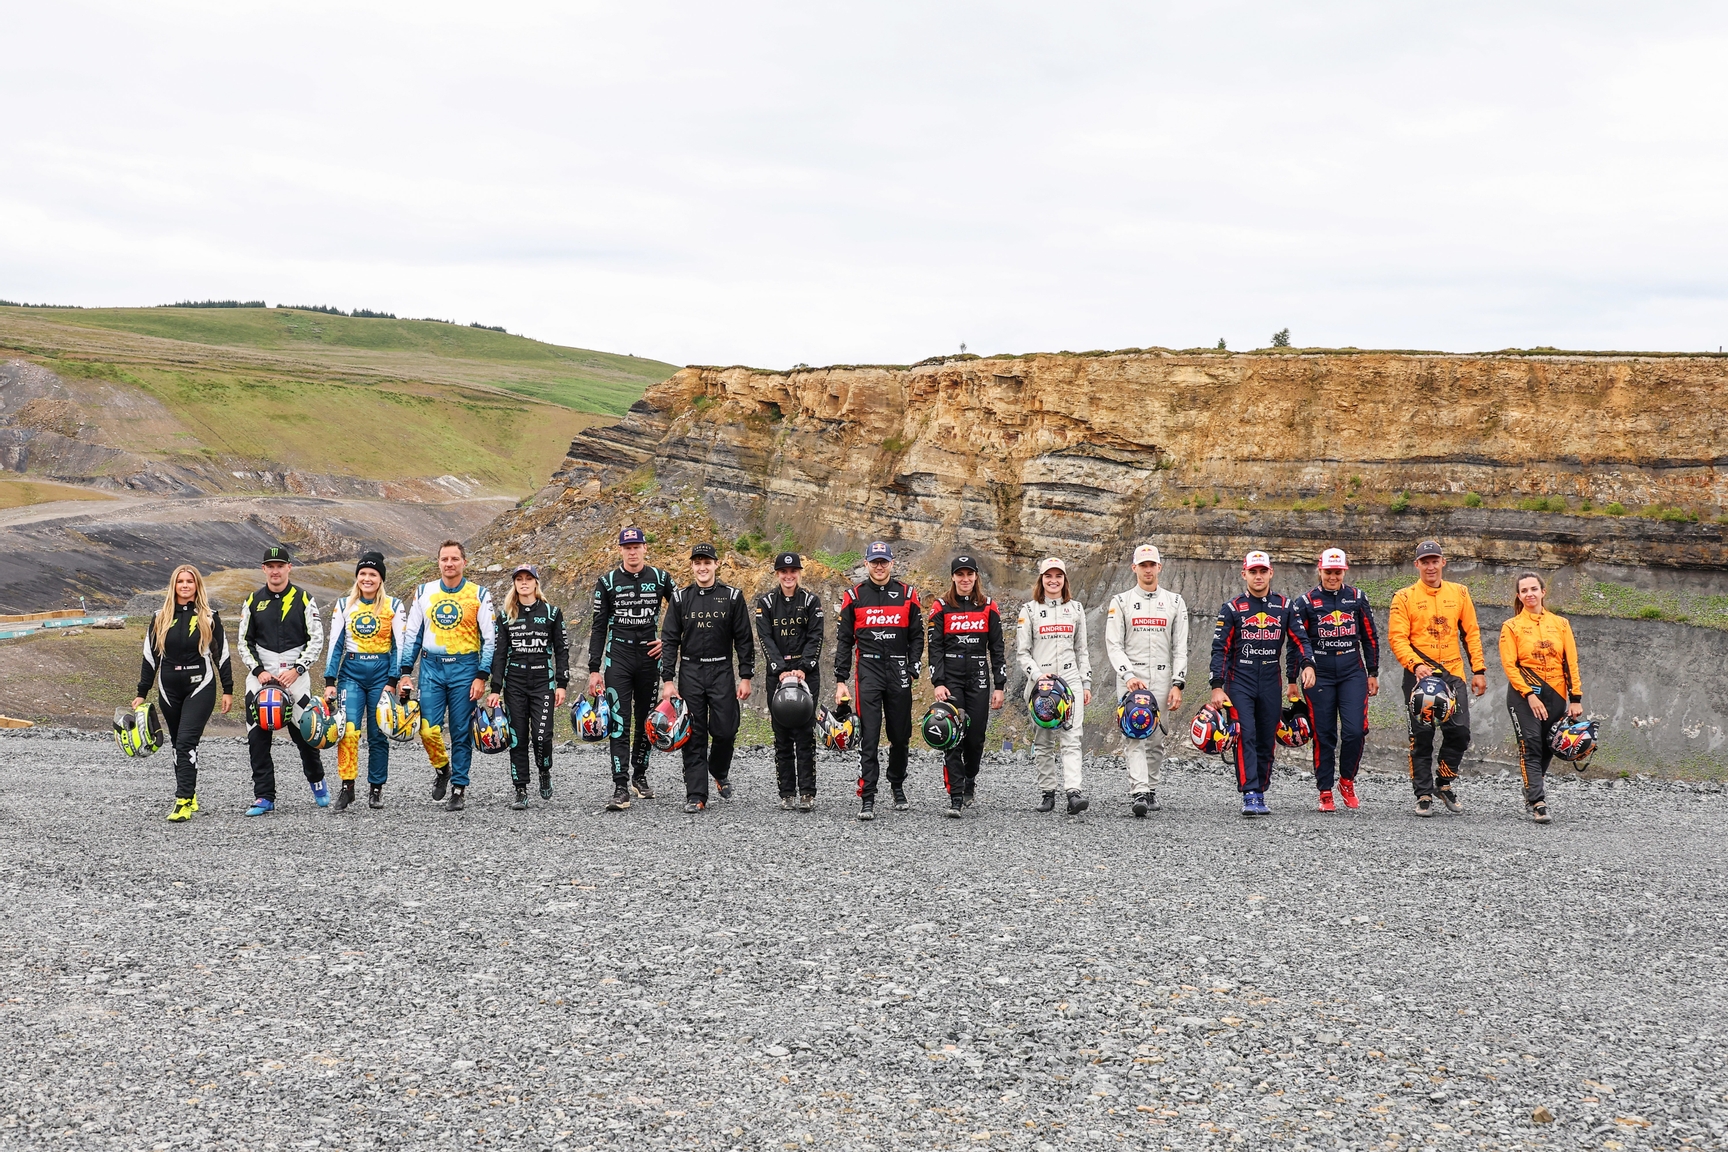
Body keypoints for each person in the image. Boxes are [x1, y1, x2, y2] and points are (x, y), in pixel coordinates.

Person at [1209, 551, 1314, 817]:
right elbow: (1219, 649)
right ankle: (1250, 793)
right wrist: (1217, 686)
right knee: (1246, 733)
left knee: (1268, 736)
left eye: (1262, 571)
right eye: (1253, 572)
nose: (1258, 576)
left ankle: (1262, 789)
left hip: (1270, 678)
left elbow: (1300, 640)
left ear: (1271, 573)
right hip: (1239, 680)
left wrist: (1308, 665)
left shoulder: (1285, 606)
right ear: (1244, 574)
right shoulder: (1232, 608)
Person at [1387, 539, 1487, 817]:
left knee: (1460, 733)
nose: (1430, 566)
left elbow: (1471, 633)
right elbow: (1397, 638)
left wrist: (1478, 670)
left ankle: (1443, 783)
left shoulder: (1461, 593)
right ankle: (1423, 794)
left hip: (1453, 673)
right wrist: (1415, 664)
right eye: (1425, 561)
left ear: (1443, 562)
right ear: (1416, 565)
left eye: (1435, 560)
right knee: (1421, 736)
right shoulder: (1403, 597)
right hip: (1420, 676)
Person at [398, 539, 496, 813]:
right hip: (431, 668)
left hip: (465, 668)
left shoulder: (479, 594)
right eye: (444, 559)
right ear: (438, 562)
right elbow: (413, 636)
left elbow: (490, 639)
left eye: (455, 559)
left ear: (464, 562)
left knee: (461, 731)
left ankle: (459, 788)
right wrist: (405, 673)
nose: (449, 564)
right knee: (428, 729)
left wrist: (481, 676)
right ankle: (443, 769)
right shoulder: (423, 592)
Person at [833, 541, 924, 821]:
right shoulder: (854, 596)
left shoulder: (908, 594)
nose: (880, 566)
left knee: (900, 735)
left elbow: (918, 636)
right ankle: (868, 796)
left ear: (892, 563)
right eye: (875, 562)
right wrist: (840, 680)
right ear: (866, 563)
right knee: (869, 736)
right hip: (868, 669)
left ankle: (897, 784)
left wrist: (912, 668)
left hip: (898, 669)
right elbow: (844, 640)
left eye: (884, 561)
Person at [660, 543, 754, 813]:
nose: (702, 567)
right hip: (690, 672)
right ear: (692, 566)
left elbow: (744, 640)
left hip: (722, 670)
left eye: (707, 562)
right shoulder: (679, 598)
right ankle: (696, 795)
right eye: (697, 562)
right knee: (694, 735)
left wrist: (745, 676)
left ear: (716, 564)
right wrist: (668, 680)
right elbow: (669, 641)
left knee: (726, 730)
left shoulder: (733, 597)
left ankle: (718, 769)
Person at [134, 564, 233, 822]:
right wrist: (142, 692)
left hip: (200, 684)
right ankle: (189, 790)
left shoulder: (209, 616)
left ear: (197, 585)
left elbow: (222, 655)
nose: (185, 585)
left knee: (186, 741)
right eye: (181, 581)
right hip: (169, 687)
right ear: (174, 585)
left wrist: (228, 689)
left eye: (190, 581)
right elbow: (150, 657)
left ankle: (183, 801)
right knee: (179, 744)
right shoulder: (159, 617)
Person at [587, 527, 675, 811]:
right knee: (619, 721)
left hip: (651, 657)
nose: (632, 551)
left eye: (637, 546)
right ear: (621, 550)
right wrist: (593, 668)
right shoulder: (607, 582)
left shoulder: (661, 578)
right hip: (619, 657)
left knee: (647, 721)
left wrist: (670, 640)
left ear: (645, 548)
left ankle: (640, 775)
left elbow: (682, 613)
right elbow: (599, 626)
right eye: (627, 547)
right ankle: (620, 785)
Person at [238, 545, 329, 816]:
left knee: (307, 735)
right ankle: (264, 796)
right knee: (257, 736)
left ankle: (317, 781)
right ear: (263, 568)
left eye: (280, 565)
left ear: (289, 567)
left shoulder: (304, 599)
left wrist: (298, 669)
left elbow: (317, 639)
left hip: (295, 676)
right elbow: (244, 641)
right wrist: (259, 672)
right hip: (261, 677)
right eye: (270, 566)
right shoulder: (253, 601)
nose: (275, 570)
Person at [1104, 544, 1188, 817]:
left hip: (1163, 677)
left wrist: (1178, 683)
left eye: (1152, 564)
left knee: (1156, 739)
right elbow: (1114, 644)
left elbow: (1180, 647)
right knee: (1134, 735)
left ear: (1159, 567)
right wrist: (1127, 674)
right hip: (1132, 679)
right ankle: (1138, 791)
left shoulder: (1175, 602)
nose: (1148, 569)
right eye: (1143, 565)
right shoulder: (1121, 601)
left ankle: (1151, 787)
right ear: (1134, 568)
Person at [1293, 548, 1379, 812]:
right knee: (1324, 733)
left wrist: (1373, 672)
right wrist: (1291, 679)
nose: (1332, 576)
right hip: (1320, 674)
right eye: (1328, 571)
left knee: (1355, 730)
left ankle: (1346, 780)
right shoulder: (1305, 602)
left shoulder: (1357, 597)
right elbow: (1297, 642)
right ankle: (1325, 790)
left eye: (1337, 572)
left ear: (1345, 570)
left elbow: (1370, 636)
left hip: (1352, 670)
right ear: (1319, 570)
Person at [322, 551, 405, 811]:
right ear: (357, 577)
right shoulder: (344, 604)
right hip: (352, 673)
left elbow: (399, 647)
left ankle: (376, 789)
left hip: (382, 673)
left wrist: (394, 679)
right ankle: (347, 786)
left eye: (373, 574)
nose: (367, 579)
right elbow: (335, 645)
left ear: (381, 579)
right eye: (363, 574)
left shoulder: (394, 605)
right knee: (348, 730)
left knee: (379, 734)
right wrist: (329, 680)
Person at [1499, 571, 1583, 824]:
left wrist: (1575, 697)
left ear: (1543, 592)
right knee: (1531, 744)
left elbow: (1571, 661)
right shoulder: (1510, 627)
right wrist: (1528, 695)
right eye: (1524, 591)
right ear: (1518, 595)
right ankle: (1538, 802)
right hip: (1523, 696)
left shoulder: (1561, 624)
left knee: (1549, 745)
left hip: (1556, 693)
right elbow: (1510, 666)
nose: (1529, 594)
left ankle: (1532, 788)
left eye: (1534, 589)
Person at [926, 553, 1006, 815]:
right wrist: (938, 682)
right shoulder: (940, 607)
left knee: (975, 738)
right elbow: (934, 646)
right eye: (960, 574)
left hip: (979, 674)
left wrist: (999, 685)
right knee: (952, 735)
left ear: (975, 577)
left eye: (969, 574)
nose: (965, 579)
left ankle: (970, 778)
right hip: (951, 675)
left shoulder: (988, 607)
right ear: (952, 577)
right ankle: (956, 797)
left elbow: (997, 648)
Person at [488, 563, 570, 810]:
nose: (524, 583)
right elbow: (499, 655)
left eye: (528, 578)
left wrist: (562, 684)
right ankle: (520, 789)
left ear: (536, 582)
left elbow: (562, 650)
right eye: (519, 579)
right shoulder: (505, 616)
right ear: (514, 584)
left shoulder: (552, 613)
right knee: (517, 738)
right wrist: (495, 689)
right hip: (514, 684)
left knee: (543, 737)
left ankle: (544, 770)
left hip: (543, 683)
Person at [1017, 557, 1092, 816]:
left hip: (1070, 681)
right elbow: (1022, 653)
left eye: (1058, 575)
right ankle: (1048, 792)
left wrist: (1086, 682)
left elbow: (1082, 650)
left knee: (1073, 738)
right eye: (1048, 576)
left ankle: (1074, 793)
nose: (1053, 580)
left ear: (1064, 579)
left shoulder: (1077, 609)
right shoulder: (1029, 610)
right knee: (1044, 739)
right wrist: (1037, 676)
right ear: (1041, 579)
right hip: (1042, 684)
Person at [754, 551, 824, 811]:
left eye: (793, 571)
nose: (788, 575)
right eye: (783, 571)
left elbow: (816, 636)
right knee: (781, 733)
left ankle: (807, 792)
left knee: (805, 733)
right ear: (777, 574)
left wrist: (804, 667)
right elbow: (765, 638)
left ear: (799, 573)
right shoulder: (766, 602)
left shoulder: (811, 601)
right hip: (777, 675)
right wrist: (780, 669)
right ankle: (786, 792)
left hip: (807, 675)